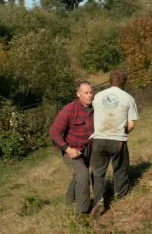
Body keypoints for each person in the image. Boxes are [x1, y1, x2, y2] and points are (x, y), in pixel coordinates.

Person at [90, 70, 139, 217]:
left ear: (110, 81)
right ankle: (121, 197)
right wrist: (123, 133)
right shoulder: (128, 98)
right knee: (120, 168)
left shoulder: (97, 97)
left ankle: (99, 201)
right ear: (123, 83)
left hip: (98, 139)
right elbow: (131, 124)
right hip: (117, 140)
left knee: (98, 173)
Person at [50, 81, 94, 214]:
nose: (90, 95)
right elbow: (54, 133)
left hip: (90, 148)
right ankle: (82, 213)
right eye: (86, 93)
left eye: (91, 92)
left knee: (80, 175)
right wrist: (69, 150)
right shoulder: (69, 109)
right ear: (78, 94)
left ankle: (70, 199)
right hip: (72, 150)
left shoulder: (97, 107)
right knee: (83, 176)